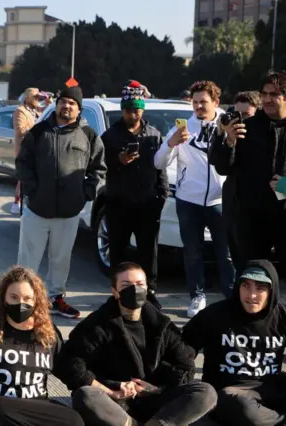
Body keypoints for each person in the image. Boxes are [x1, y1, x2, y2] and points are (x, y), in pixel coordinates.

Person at [59, 262, 217, 426]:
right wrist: (113, 389)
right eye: (126, 285)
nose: (134, 290)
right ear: (115, 292)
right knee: (85, 395)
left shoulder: (162, 325)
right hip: (115, 402)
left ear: (147, 289)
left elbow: (186, 367)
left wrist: (155, 389)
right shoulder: (97, 325)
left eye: (140, 285)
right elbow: (69, 363)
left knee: (206, 392)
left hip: (155, 400)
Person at [0, 266, 85, 426]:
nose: (20, 304)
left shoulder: (47, 333)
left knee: (74, 420)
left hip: (34, 407)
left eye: (27, 298)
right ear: (3, 298)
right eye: (14, 297)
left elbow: (70, 371)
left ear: (36, 300)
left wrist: (110, 388)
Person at [16, 85, 106, 319]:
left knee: (61, 259)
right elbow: (23, 164)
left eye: (72, 103)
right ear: (56, 105)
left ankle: (56, 298)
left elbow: (99, 169)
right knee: (28, 259)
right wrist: (33, 190)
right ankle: (23, 300)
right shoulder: (38, 133)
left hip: (68, 211)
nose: (66, 106)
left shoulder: (88, 135)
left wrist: (85, 192)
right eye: (63, 101)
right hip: (37, 208)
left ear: (79, 109)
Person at [154, 80, 234, 318]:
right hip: (189, 201)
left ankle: (231, 298)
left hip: (220, 201)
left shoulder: (227, 124)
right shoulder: (182, 128)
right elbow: (158, 162)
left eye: (204, 102)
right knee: (192, 252)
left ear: (216, 102)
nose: (199, 106)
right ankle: (197, 297)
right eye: (195, 102)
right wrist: (171, 144)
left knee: (226, 252)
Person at [182, 259, 286, 426]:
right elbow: (182, 350)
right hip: (229, 393)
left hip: (269, 389)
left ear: (271, 290)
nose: (251, 295)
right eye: (246, 286)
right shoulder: (214, 315)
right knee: (240, 406)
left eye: (260, 288)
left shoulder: (281, 316)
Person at [210, 71, 286, 274]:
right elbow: (222, 167)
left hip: (283, 216)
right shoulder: (246, 128)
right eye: (264, 94)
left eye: (274, 94)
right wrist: (228, 141)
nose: (267, 99)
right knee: (250, 277)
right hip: (250, 220)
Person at [101, 80, 168, 309]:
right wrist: (118, 161)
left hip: (148, 204)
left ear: (142, 109)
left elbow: (161, 167)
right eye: (129, 109)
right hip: (119, 203)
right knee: (118, 250)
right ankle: (118, 293)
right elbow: (100, 165)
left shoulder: (154, 134)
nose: (133, 114)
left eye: (136, 109)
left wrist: (162, 195)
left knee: (149, 251)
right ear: (123, 110)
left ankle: (149, 292)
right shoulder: (110, 136)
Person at [12, 87, 42, 215]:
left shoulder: (38, 111)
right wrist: (37, 128)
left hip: (36, 150)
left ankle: (18, 202)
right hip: (24, 150)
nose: (37, 99)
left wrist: (48, 103)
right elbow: (20, 130)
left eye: (38, 97)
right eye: (35, 97)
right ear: (26, 98)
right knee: (23, 177)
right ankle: (17, 202)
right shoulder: (20, 111)